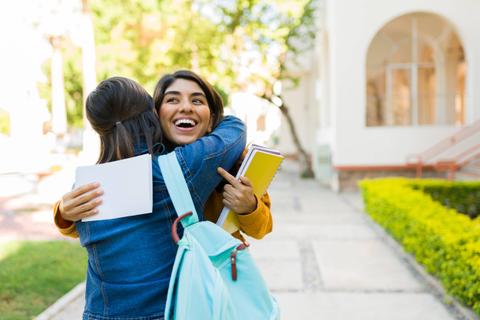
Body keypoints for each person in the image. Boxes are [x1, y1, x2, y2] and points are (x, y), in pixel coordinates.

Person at [70, 75, 246, 319]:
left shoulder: (82, 188)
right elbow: (235, 129)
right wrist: (209, 116)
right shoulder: (178, 168)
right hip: (167, 311)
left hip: (102, 313)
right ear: (150, 116)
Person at [54, 70, 273, 242]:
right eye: (172, 100)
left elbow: (263, 228)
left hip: (218, 282)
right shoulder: (144, 164)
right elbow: (94, 220)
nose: (186, 107)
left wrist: (249, 207)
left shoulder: (238, 161)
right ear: (156, 115)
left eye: (197, 101)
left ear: (211, 118)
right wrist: (64, 212)